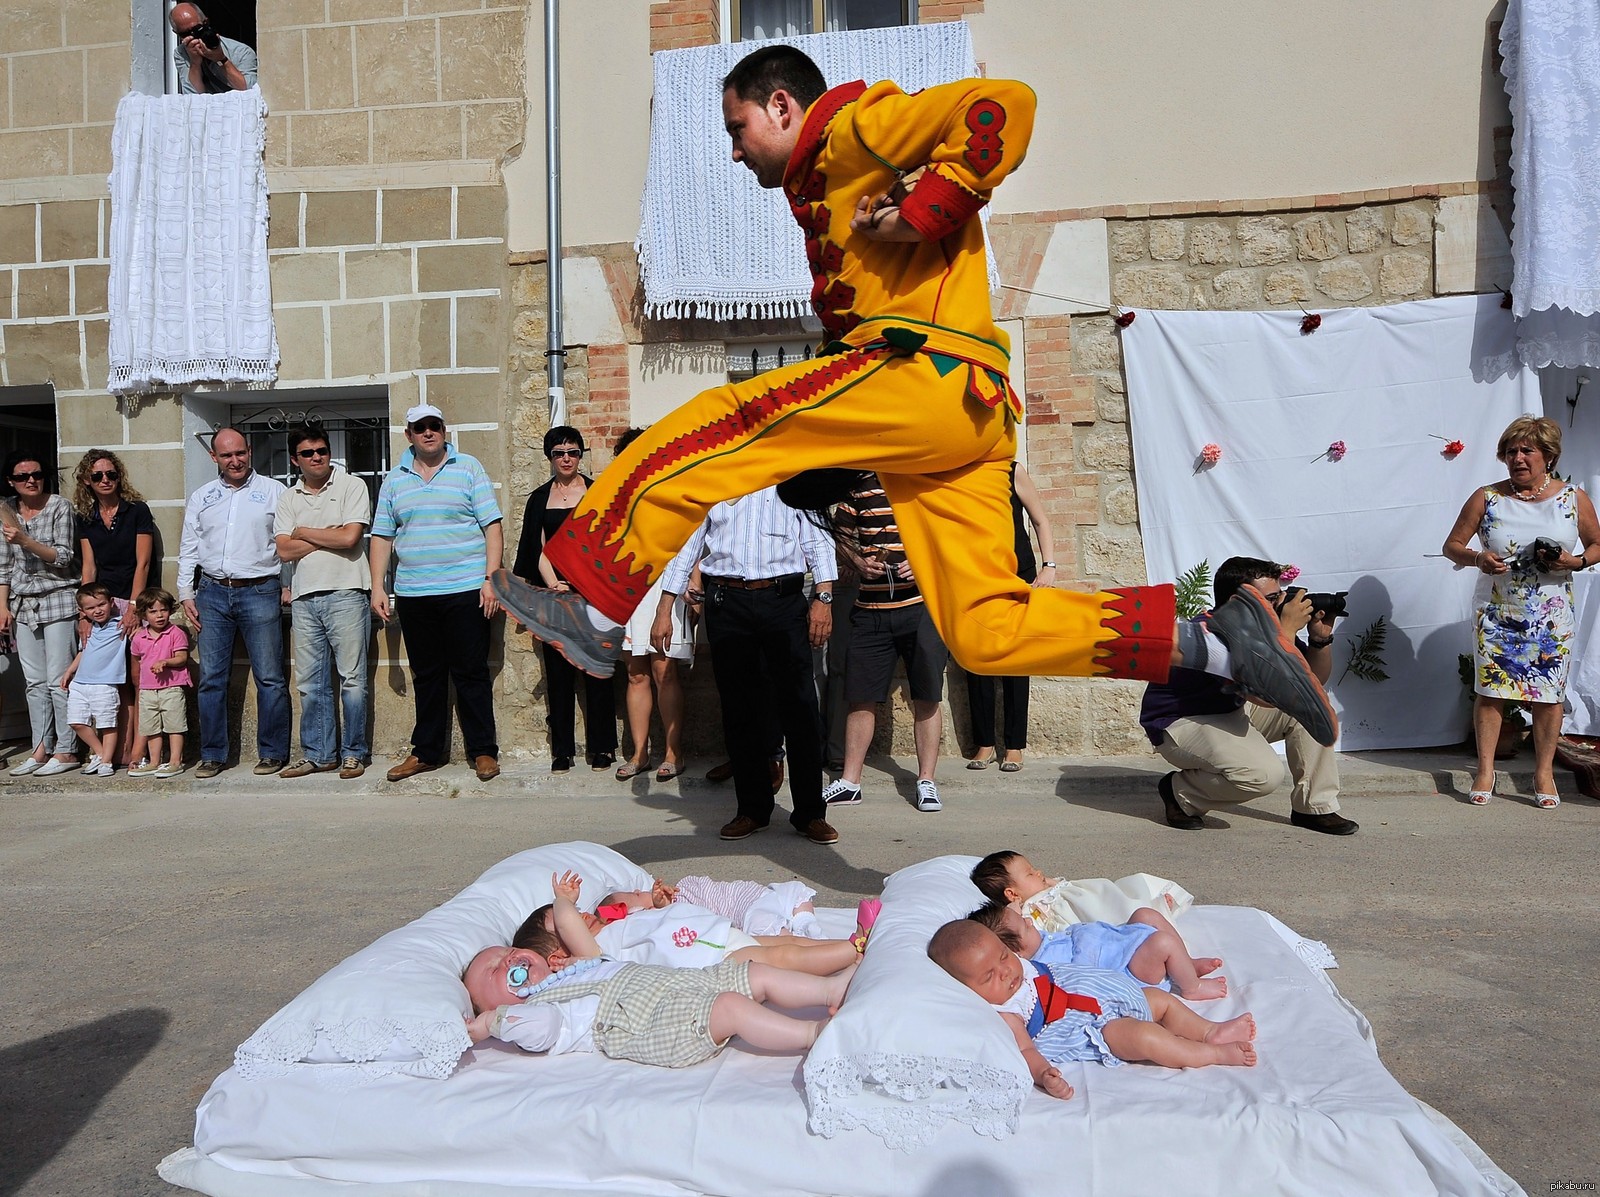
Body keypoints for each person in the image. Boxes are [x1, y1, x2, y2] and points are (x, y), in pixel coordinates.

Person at [489, 44, 1336, 755]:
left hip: (920, 374)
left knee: (725, 420)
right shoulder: (826, 178)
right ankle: (1218, 644)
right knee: (984, 628)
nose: (735, 150)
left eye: (737, 129)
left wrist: (921, 212)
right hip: (962, 418)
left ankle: (600, 601)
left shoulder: (858, 127)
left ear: (782, 106)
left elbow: (1005, 104)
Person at [463, 871, 854, 1067]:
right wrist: (493, 1022)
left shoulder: (585, 965)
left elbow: (590, 919)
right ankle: (813, 1032)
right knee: (738, 1001)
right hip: (664, 1019)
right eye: (493, 971)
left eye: (506, 952)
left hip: (684, 980)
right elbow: (539, 1029)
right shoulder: (545, 1004)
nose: (508, 959)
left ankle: (833, 986)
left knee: (763, 969)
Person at [653, 486, 838, 844]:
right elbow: (687, 543)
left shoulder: (794, 477)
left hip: (783, 600)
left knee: (800, 707)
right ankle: (753, 809)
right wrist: (665, 607)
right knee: (739, 709)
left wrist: (824, 598)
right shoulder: (718, 477)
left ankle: (810, 813)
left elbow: (818, 541)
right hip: (727, 602)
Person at [1443, 414, 1600, 809]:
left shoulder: (1573, 498)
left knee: (1549, 694)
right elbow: (1452, 546)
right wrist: (1478, 558)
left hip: (1551, 615)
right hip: (1497, 613)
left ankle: (1543, 772)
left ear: (1548, 455)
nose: (1517, 458)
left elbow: (1598, 544)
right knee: (1491, 691)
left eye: (1526, 450)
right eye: (1510, 451)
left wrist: (1575, 562)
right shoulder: (1486, 497)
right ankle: (1485, 770)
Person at [1138, 556, 1358, 836]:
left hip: (1232, 710)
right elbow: (1267, 693)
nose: (1280, 605)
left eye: (1280, 596)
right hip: (1183, 721)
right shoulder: (1210, 634)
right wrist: (1288, 630)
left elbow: (1314, 680)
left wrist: (1320, 639)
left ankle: (1314, 807)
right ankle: (1181, 792)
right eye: (1271, 599)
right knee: (1262, 776)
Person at [927, 920, 1257, 1099]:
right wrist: (1043, 1075)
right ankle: (1210, 1054)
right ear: (967, 990)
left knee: (1163, 1003)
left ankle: (1210, 1031)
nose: (1005, 972)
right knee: (1146, 1037)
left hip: (1116, 997)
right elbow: (1026, 1050)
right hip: (1099, 1030)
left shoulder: (1022, 966)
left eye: (1003, 956)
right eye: (989, 977)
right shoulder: (1008, 1012)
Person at [370, 403, 503, 783]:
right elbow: (382, 535)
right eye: (420, 427)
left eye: (434, 426)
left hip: (465, 590)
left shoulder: (469, 468)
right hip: (414, 593)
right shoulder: (395, 479)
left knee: (471, 673)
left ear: (444, 430)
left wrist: (490, 579)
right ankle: (427, 752)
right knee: (426, 675)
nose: (428, 432)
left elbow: (492, 526)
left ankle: (482, 751)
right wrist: (378, 585)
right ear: (409, 434)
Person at [822, 474, 949, 813]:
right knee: (860, 697)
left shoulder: (923, 479)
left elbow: (948, 533)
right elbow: (841, 536)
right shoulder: (857, 485)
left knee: (927, 694)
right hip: (869, 611)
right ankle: (850, 782)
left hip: (921, 608)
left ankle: (926, 781)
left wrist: (922, 560)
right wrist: (857, 561)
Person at [177, 428, 290, 779]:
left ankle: (272, 753)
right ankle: (213, 754)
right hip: (211, 593)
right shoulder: (202, 497)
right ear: (215, 458)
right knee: (211, 678)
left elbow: (289, 543)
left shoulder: (274, 492)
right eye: (226, 455)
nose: (235, 460)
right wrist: (185, 592)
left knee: (270, 677)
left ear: (249, 451)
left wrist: (287, 585)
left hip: (260, 590)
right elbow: (188, 548)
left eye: (240, 453)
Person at [512, 427, 617, 774]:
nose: (567, 458)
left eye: (573, 452)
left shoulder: (598, 493)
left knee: (597, 673)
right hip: (554, 598)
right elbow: (535, 547)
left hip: (594, 596)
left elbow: (607, 543)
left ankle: (603, 748)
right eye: (559, 453)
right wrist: (552, 582)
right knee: (558, 677)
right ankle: (562, 751)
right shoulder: (539, 498)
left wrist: (585, 583)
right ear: (550, 458)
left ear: (581, 454)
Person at [272, 422, 373, 781]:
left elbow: (350, 539)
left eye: (322, 451)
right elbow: (284, 550)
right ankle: (318, 754)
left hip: (346, 592)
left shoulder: (352, 485)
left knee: (352, 680)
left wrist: (305, 532)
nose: (317, 458)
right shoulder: (288, 497)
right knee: (310, 683)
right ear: (295, 459)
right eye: (308, 453)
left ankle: (353, 753)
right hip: (304, 597)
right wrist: (328, 534)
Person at [511, 875, 860, 977]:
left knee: (783, 946)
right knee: (782, 957)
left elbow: (640, 907)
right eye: (564, 921)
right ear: (562, 951)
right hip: (708, 960)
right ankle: (849, 953)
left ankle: (850, 948)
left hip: (715, 933)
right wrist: (561, 902)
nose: (578, 914)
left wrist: (656, 900)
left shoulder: (607, 922)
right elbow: (572, 922)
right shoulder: (594, 958)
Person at [612, 428, 691, 782]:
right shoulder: (615, 499)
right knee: (635, 672)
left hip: (667, 586)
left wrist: (695, 581)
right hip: (629, 587)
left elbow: (692, 539)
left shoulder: (672, 491)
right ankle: (640, 752)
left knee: (664, 670)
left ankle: (674, 752)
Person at [965, 464, 1055, 772]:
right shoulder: (958, 474)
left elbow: (1040, 520)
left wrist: (1049, 566)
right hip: (977, 578)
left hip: (1018, 576)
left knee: (1016, 660)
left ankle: (1014, 746)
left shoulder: (1012, 471)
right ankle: (985, 744)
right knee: (977, 659)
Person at [966, 899, 1224, 1002]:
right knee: (1162, 944)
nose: (1030, 921)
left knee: (1146, 914)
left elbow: (1010, 919)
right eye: (1024, 925)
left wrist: (1012, 911)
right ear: (1016, 954)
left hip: (1120, 941)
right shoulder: (1042, 968)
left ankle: (1185, 964)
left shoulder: (1037, 940)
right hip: (1128, 968)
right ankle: (1192, 987)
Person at [1, 453, 81, 777]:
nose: (31, 480)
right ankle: (40, 748)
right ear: (12, 482)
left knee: (59, 679)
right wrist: (2, 606)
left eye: (36, 474)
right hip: (23, 603)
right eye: (23, 477)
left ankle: (67, 750)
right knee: (34, 683)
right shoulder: (7, 511)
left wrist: (25, 539)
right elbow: (4, 565)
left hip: (58, 597)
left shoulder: (59, 506)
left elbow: (63, 556)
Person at [74, 449, 154, 763]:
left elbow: (143, 563)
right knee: (113, 680)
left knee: (137, 679)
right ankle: (116, 751)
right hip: (102, 608)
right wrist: (84, 615)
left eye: (111, 474)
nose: (105, 480)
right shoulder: (85, 517)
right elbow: (89, 568)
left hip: (133, 601)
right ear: (86, 480)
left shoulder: (137, 511)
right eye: (98, 476)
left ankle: (140, 750)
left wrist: (134, 607)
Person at [596, 875, 827, 939]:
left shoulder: (680, 892)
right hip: (751, 905)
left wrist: (661, 902)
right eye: (635, 895)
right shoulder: (662, 915)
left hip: (745, 899)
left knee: (792, 894)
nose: (640, 890)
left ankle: (804, 924)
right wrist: (658, 906)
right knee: (787, 898)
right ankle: (802, 926)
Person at [60, 583, 129, 777]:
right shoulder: (90, 629)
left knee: (107, 724)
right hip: (80, 683)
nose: (97, 611)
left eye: (101, 605)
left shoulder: (120, 624)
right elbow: (84, 651)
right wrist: (69, 671)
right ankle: (99, 753)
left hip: (105, 683)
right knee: (76, 721)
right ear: (82, 611)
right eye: (91, 608)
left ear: (111, 603)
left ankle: (107, 761)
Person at [126, 587, 191, 778]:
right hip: (148, 689)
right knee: (151, 727)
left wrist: (166, 662)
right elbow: (136, 661)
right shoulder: (139, 637)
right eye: (153, 611)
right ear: (144, 614)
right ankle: (154, 761)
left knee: (174, 725)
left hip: (171, 688)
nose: (159, 615)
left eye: (163, 610)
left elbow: (182, 657)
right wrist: (138, 682)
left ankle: (175, 761)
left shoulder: (176, 633)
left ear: (170, 610)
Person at [169, 3, 258, 95]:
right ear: (177, 34)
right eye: (185, 34)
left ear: (206, 22)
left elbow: (249, 90)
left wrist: (220, 59)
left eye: (197, 29)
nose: (194, 37)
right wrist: (195, 64)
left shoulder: (241, 51)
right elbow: (192, 95)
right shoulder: (181, 53)